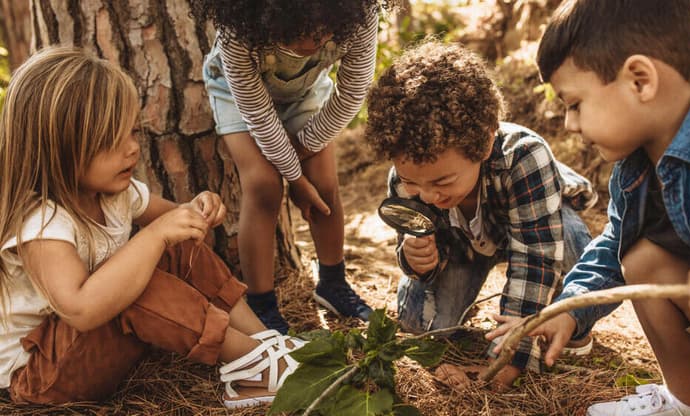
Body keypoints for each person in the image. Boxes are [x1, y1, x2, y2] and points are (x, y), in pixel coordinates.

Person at [0, 47, 305, 409]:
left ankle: (264, 342)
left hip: (86, 349)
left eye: (132, 133)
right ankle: (254, 366)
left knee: (173, 245)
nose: (132, 150)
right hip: (41, 376)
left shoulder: (114, 193)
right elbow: (81, 310)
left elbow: (176, 221)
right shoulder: (42, 224)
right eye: (111, 141)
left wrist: (197, 210)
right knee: (141, 275)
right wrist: (155, 235)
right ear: (57, 150)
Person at [491, 1, 690, 415]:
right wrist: (568, 311)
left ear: (640, 80)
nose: (570, 124)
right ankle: (688, 402)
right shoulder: (634, 173)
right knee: (641, 260)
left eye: (575, 104)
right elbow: (611, 250)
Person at [363, 41, 598, 389]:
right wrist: (418, 262)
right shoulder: (406, 178)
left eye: (443, 180)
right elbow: (410, 243)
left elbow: (534, 257)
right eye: (414, 182)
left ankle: (569, 319)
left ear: (485, 144)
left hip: (534, 227)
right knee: (418, 322)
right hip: (462, 247)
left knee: (573, 243)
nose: (428, 195)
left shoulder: (525, 157)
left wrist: (511, 354)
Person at [191, 0, 399, 333]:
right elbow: (258, 115)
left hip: (306, 93)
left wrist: (302, 156)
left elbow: (351, 93)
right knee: (263, 185)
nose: (311, 45)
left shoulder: (359, 14)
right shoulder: (238, 33)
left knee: (324, 184)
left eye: (321, 36)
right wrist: (295, 179)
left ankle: (332, 283)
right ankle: (262, 304)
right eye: (294, 36)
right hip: (237, 95)